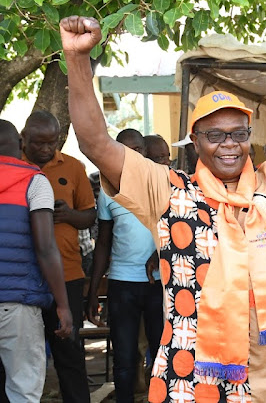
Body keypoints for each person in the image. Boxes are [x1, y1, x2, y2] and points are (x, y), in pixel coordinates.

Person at [61, 7, 266, 401]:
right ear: (195, 141)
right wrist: (77, 59)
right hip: (196, 379)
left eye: (238, 133)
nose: (229, 144)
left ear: (249, 135)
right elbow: (97, 144)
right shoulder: (167, 190)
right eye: (215, 135)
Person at [21, 110, 94, 402]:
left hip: (68, 275)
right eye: (38, 143)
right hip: (26, 278)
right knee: (24, 354)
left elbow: (89, 216)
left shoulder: (74, 167)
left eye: (51, 142)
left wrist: (70, 215)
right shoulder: (13, 168)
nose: (46, 149)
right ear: (24, 139)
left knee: (70, 353)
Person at [86, 129, 163, 402]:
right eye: (126, 149)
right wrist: (94, 290)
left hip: (158, 284)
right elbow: (103, 243)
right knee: (125, 358)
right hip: (122, 284)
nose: (133, 155)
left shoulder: (161, 183)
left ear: (145, 152)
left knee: (163, 355)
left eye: (138, 149)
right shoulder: (108, 190)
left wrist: (159, 254)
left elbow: (179, 231)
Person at [0, 119, 72, 402]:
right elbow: (45, 248)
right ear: (20, 144)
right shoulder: (35, 181)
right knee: (24, 390)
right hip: (18, 305)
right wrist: (63, 305)